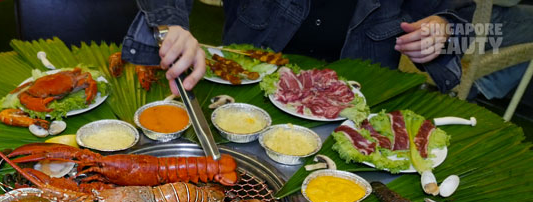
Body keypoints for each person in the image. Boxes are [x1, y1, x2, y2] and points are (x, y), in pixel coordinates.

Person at [121, 0, 475, 95]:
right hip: (244, 93)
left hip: (357, 107)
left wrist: (444, 30)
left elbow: (469, 25)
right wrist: (172, 24)